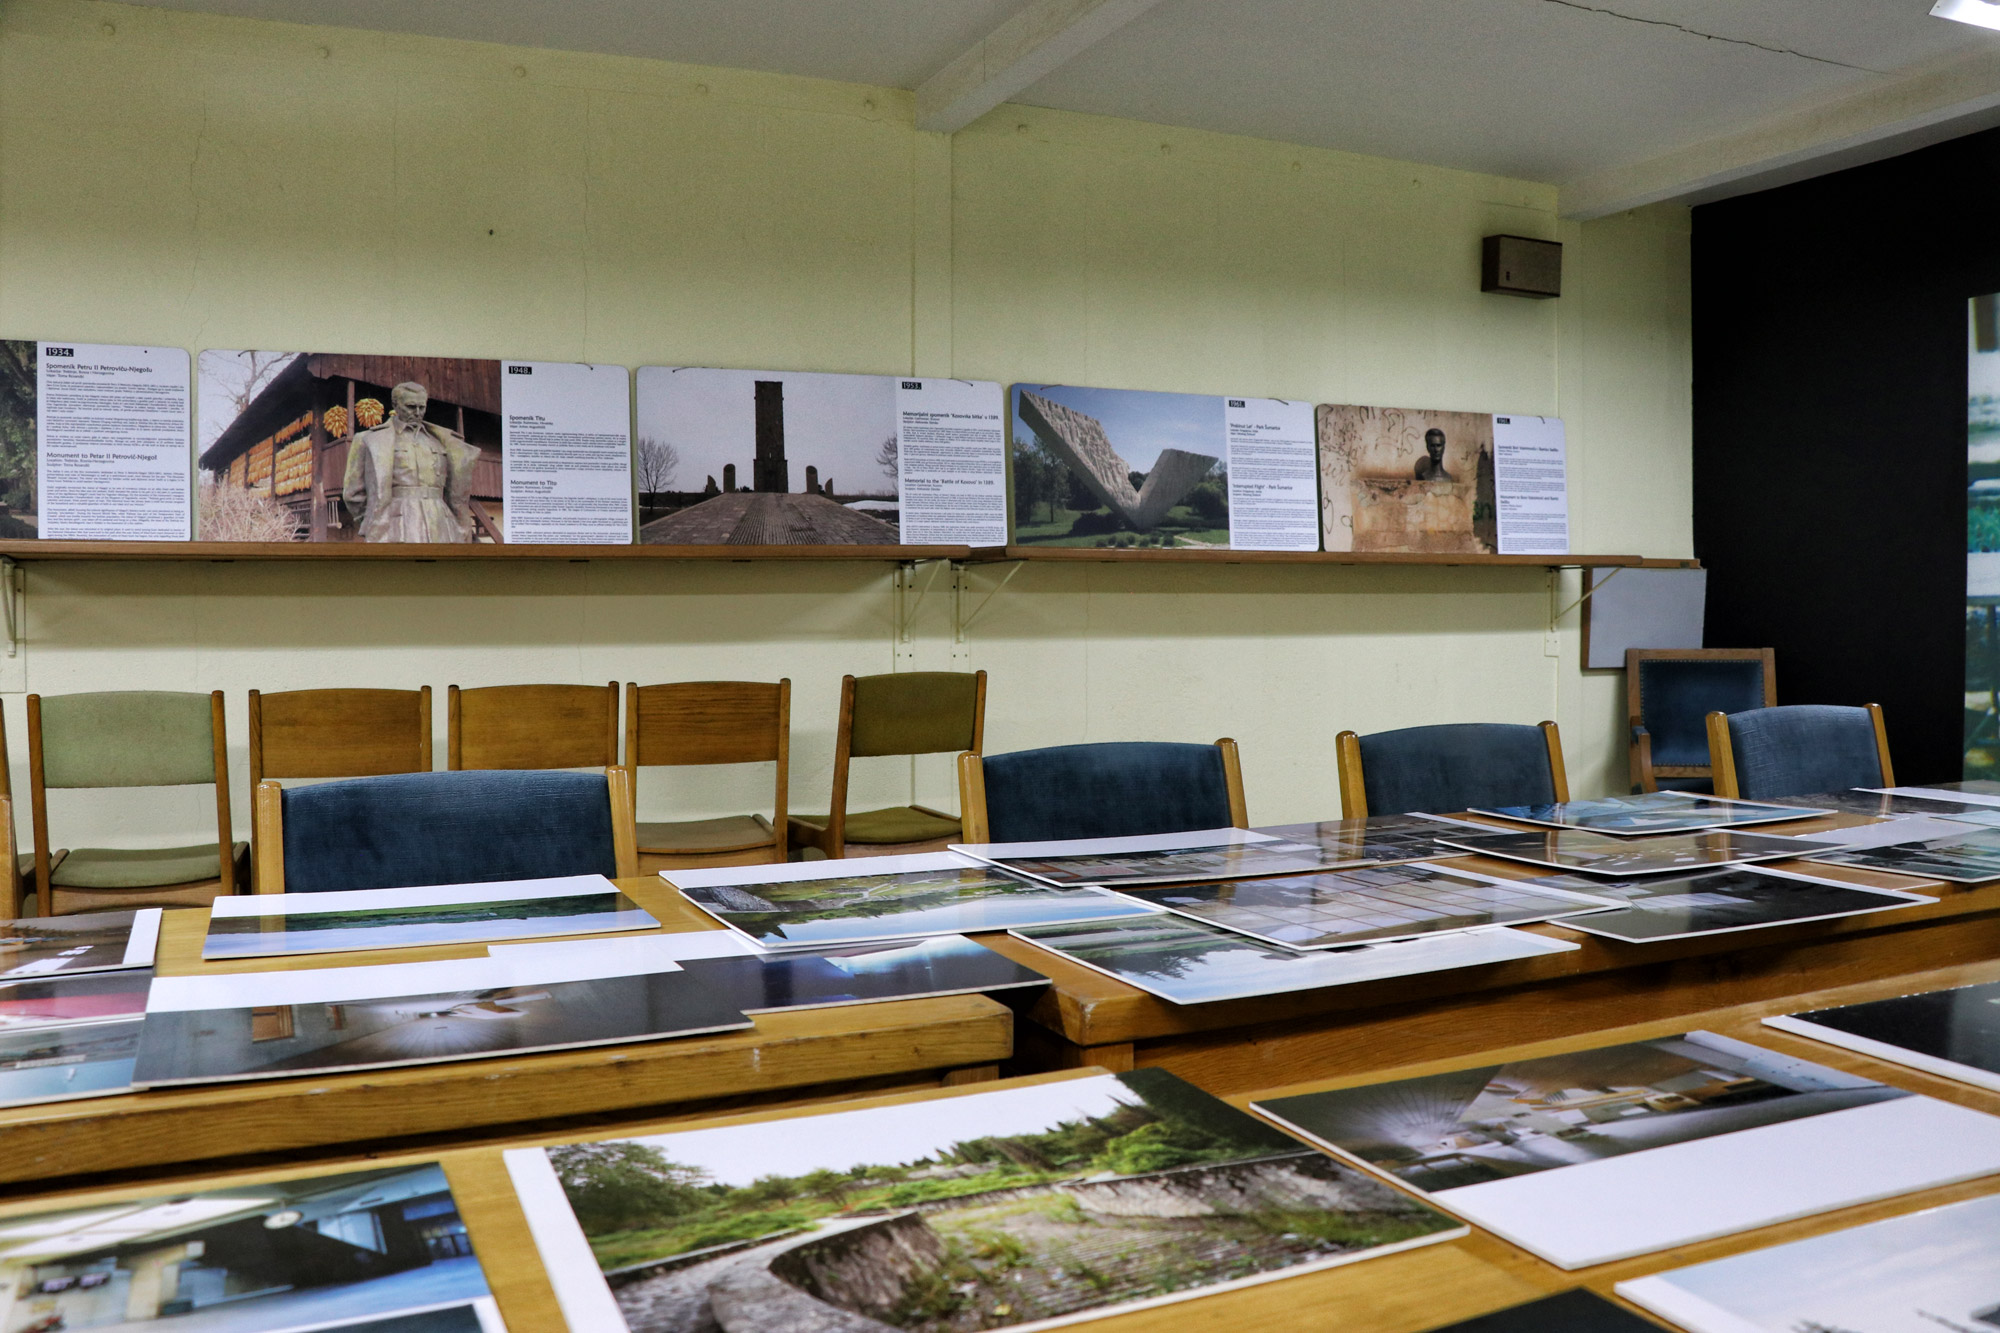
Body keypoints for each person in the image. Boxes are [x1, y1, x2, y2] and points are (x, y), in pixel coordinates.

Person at [341, 382, 482, 542]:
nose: (417, 413)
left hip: (441, 523)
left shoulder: (441, 440)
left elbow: (455, 490)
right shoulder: (367, 440)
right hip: (395, 524)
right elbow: (353, 494)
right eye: (411, 406)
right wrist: (375, 519)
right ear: (395, 404)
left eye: (421, 407)